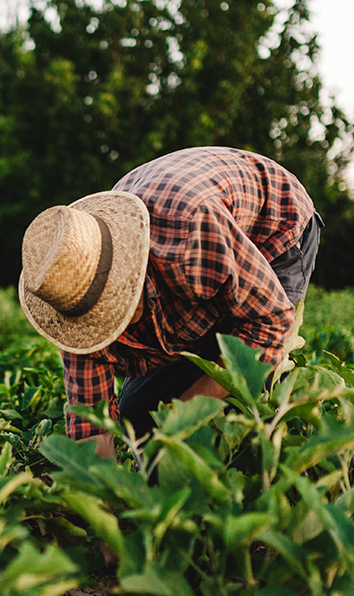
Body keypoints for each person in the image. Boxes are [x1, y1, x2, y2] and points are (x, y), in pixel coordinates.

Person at [18, 147, 323, 458]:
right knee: (140, 413)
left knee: (248, 392)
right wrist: (100, 490)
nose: (109, 325)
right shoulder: (70, 298)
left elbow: (268, 322)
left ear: (132, 270)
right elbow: (90, 427)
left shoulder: (191, 234)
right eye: (100, 319)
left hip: (273, 225)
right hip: (197, 252)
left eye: (114, 308)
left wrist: (185, 416)